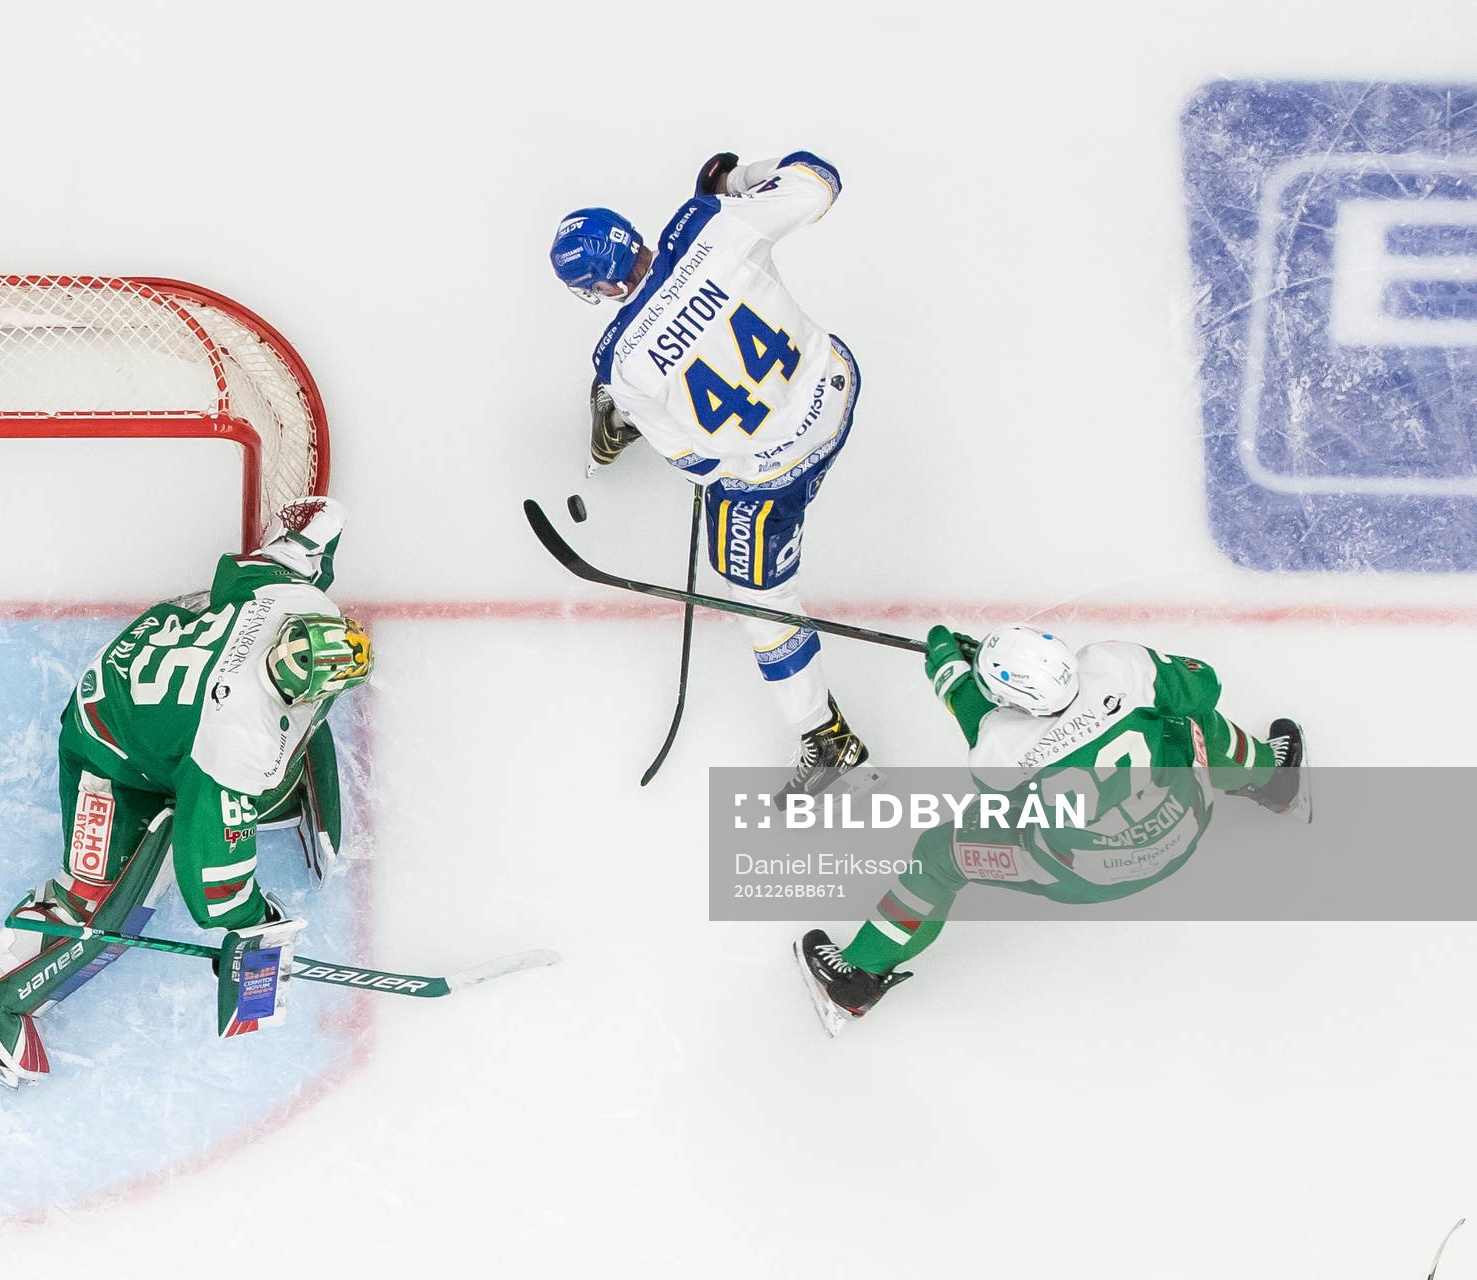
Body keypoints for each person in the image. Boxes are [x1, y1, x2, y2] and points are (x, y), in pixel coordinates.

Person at [0, 497, 372, 1085]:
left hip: (155, 676)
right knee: (93, 905)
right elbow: (211, 877)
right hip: (108, 751)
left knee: (228, 783)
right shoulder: (236, 743)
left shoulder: (290, 602)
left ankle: (217, 777)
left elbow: (291, 546)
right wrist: (251, 918)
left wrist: (320, 530)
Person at [792, 623, 1306, 1035]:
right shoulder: (1117, 664)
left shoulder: (999, 746)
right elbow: (1203, 683)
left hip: (1085, 874)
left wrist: (952, 672)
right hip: (1185, 822)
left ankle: (858, 976)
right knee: (1190, 720)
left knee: (938, 856)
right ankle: (1272, 778)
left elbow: (984, 729)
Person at [549, 149, 869, 795]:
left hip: (775, 470)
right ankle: (622, 422)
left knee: (757, 595)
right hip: (835, 389)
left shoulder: (622, 360)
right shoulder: (706, 223)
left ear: (602, 289)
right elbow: (818, 181)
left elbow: (695, 463)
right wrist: (737, 185)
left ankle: (826, 737)